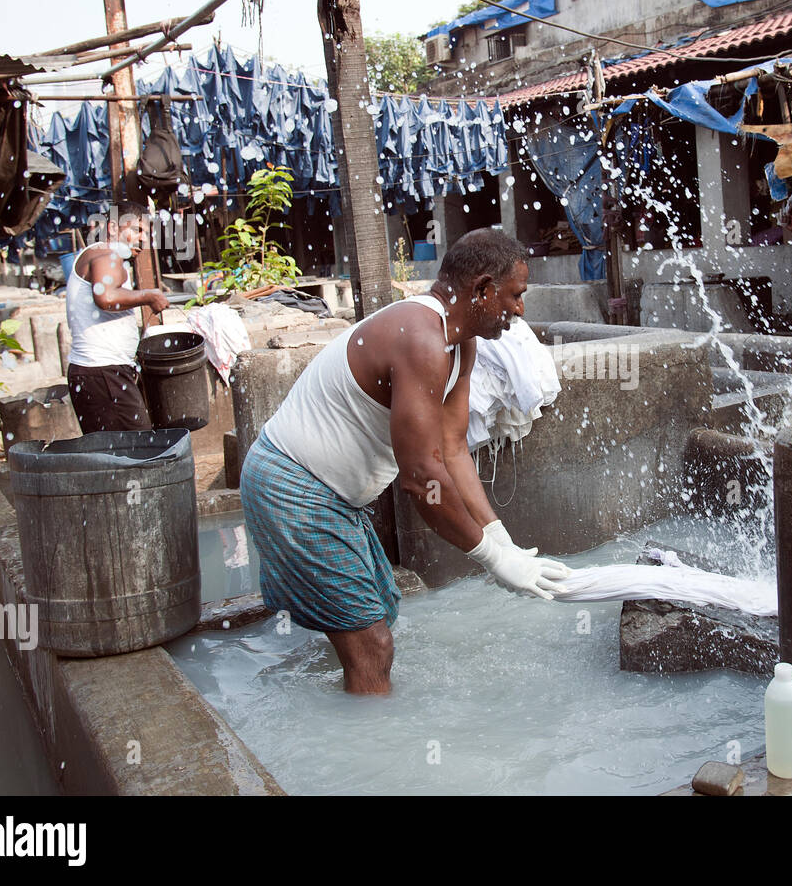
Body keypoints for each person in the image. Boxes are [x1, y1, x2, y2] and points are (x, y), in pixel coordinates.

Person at [240, 228, 572, 695]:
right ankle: (369, 753)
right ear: (481, 289)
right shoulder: (421, 338)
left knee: (379, 613)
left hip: (334, 496)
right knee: (373, 645)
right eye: (515, 296)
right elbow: (421, 480)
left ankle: (342, 697)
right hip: (294, 486)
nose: (519, 310)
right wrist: (491, 559)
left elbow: (453, 450)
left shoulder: (462, 343)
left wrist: (503, 540)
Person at [65, 210, 169, 433]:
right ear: (112, 228)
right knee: (139, 452)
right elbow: (106, 297)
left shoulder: (103, 256)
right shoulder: (105, 253)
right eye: (137, 230)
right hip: (103, 372)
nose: (143, 238)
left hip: (100, 373)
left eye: (146, 233)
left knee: (116, 456)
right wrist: (149, 295)